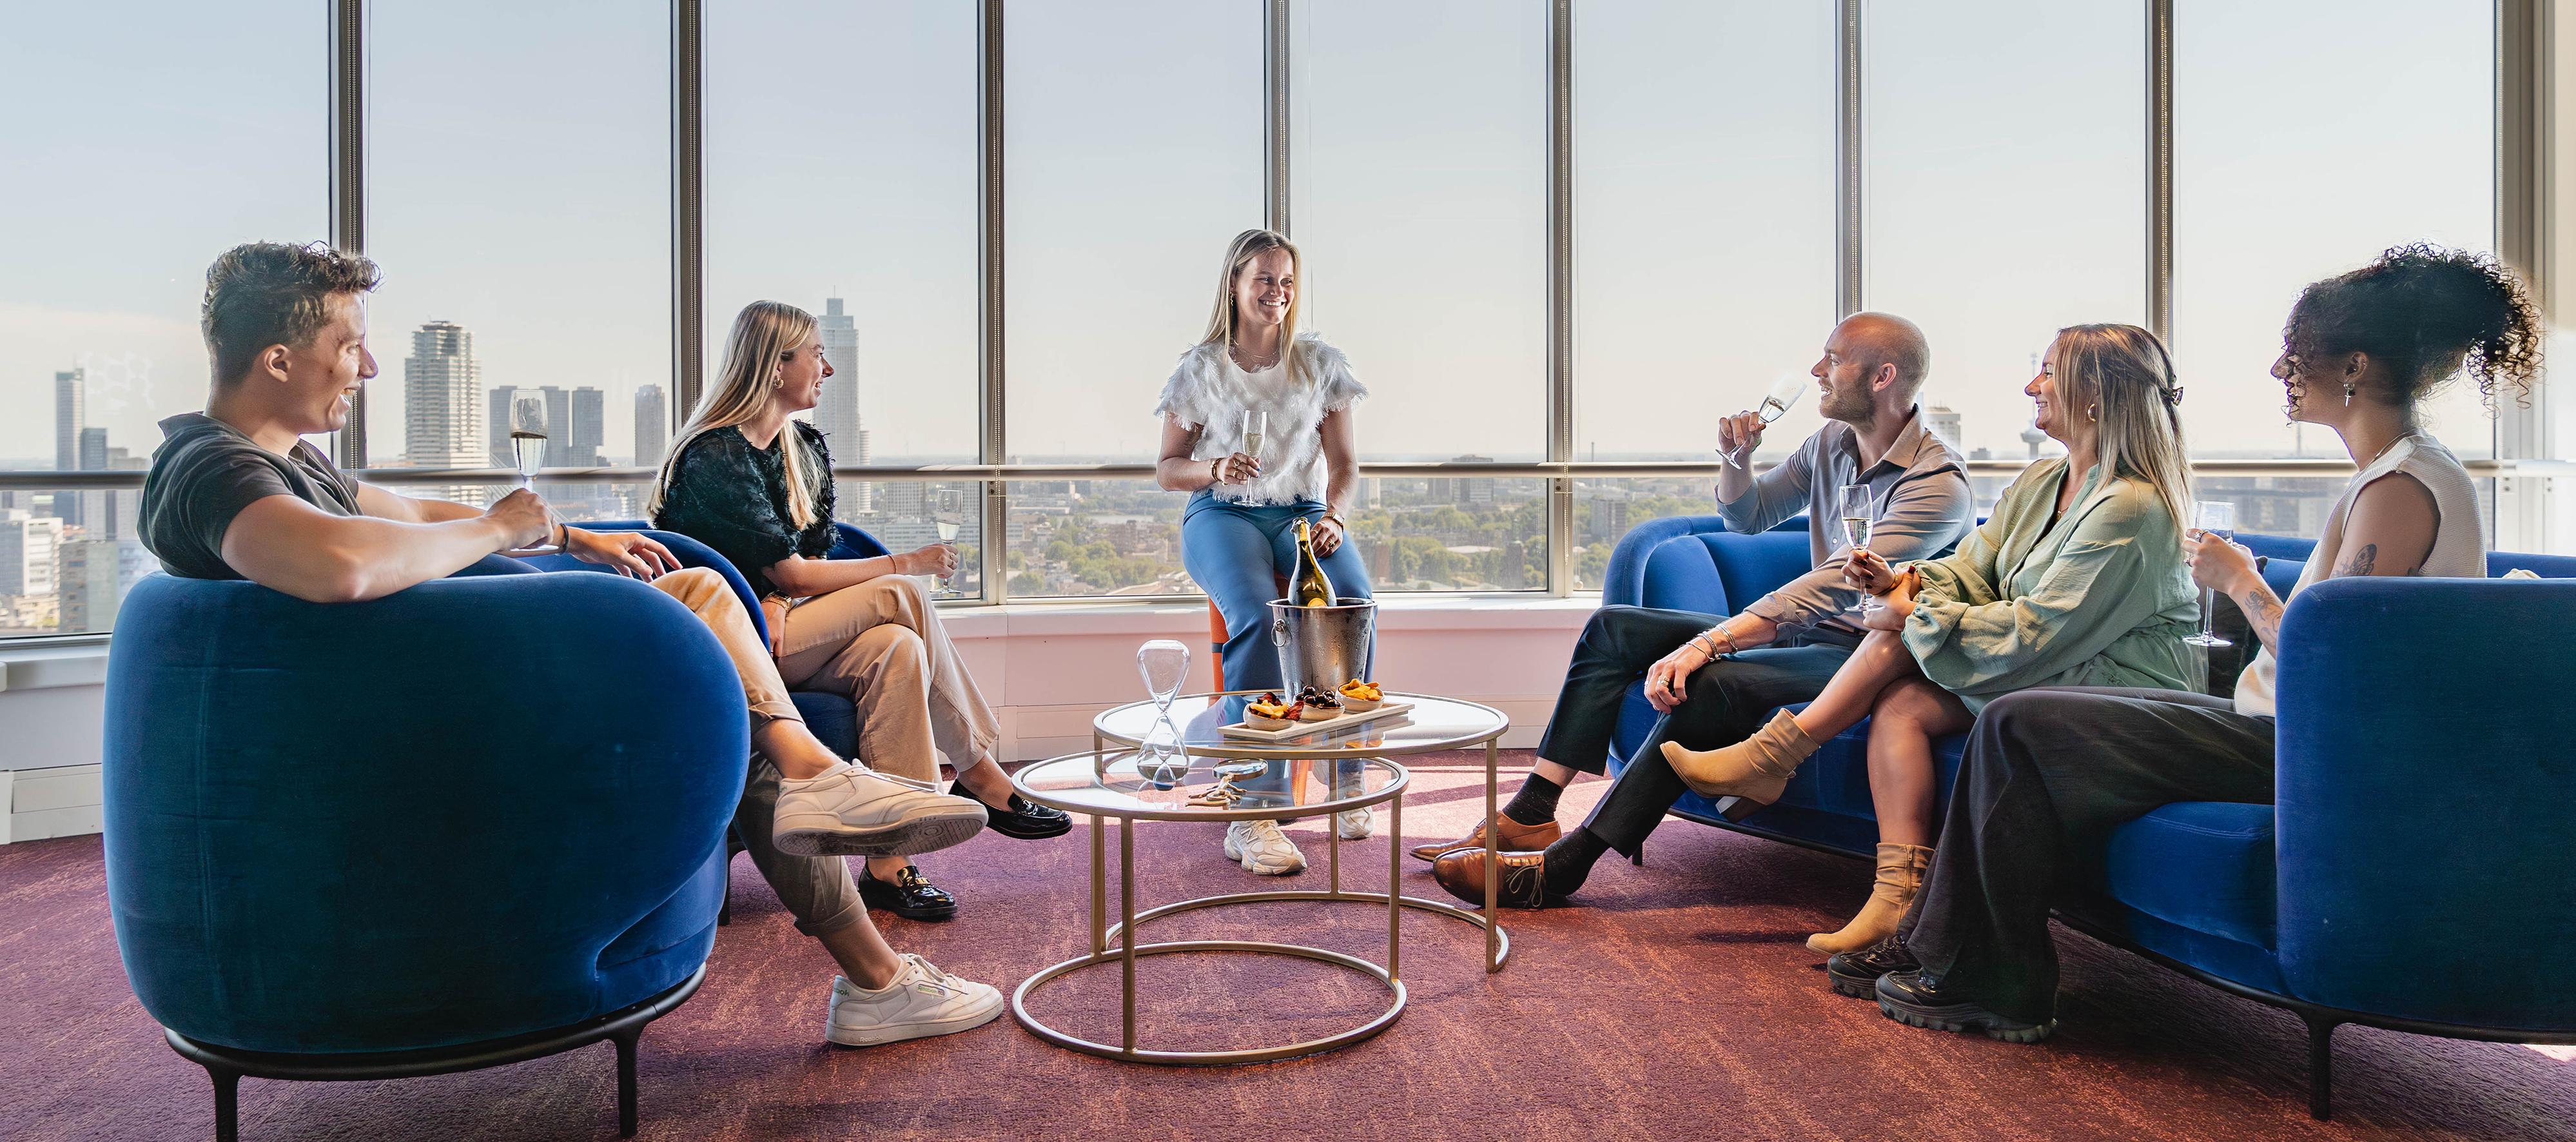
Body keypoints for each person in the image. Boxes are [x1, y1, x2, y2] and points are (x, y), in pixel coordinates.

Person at [139, 242, 1004, 1048]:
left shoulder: (295, 466)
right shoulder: (213, 470)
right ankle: (833, 801)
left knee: (730, 713)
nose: (365, 367)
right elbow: (340, 566)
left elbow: (404, 515)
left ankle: (871, 952)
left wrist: (570, 535)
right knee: (702, 601)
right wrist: (495, 528)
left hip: (420, 721)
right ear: (278, 359)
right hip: (420, 749)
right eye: (349, 344)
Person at [1846, 246, 2538, 1043]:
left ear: (2353, 366)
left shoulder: (2401, 487)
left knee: (2021, 721)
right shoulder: (2395, 475)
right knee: (2023, 721)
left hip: (2313, 748)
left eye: (2299, 350)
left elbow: (2338, 671)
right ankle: (1964, 963)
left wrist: (2242, 582)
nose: (2283, 366)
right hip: (2289, 733)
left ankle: (1988, 977)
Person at [1423, 312, 1973, 897]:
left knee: (1716, 680)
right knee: (1613, 628)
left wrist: (1712, 641)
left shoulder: (1938, 482)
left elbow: (1836, 583)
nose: (1817, 369)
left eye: (1833, 358)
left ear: (1883, 376)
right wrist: (1737, 458)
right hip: (1803, 633)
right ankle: (1533, 812)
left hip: (1867, 652)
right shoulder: (1831, 443)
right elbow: (1747, 517)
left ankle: (1568, 864)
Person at [651, 300, 1069, 922]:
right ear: (774, 366)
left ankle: (889, 862)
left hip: (789, 628)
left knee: (898, 650)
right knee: (905, 592)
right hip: (729, 653)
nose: (828, 369)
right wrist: (904, 563)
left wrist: (785, 596)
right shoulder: (718, 456)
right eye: (817, 354)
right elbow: (789, 569)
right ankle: (980, 770)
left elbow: (805, 563)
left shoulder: (804, 449)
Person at [1153, 228, 1371, 876]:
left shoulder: (1320, 364)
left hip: (1302, 511)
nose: (1278, 293)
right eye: (1265, 280)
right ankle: (1253, 808)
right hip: (1222, 512)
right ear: (1235, 285)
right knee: (1256, 613)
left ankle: (1345, 770)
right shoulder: (1200, 370)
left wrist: (1335, 516)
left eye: (1287, 282)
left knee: (1354, 601)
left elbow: (1347, 466)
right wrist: (1214, 466)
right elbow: (1168, 469)